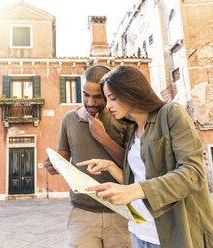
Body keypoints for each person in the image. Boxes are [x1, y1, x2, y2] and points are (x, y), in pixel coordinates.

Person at [77, 65, 213, 248]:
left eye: (113, 98)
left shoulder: (171, 114)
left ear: (132, 92)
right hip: (139, 233)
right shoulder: (132, 132)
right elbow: (140, 180)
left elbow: (194, 174)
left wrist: (133, 191)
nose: (108, 105)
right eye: (107, 99)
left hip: (173, 236)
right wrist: (111, 167)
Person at [44, 65, 132, 248]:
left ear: (109, 93)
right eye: (86, 94)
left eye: (98, 96)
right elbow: (63, 161)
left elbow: (132, 166)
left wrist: (103, 137)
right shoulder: (68, 119)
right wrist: (54, 166)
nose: (90, 102)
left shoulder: (124, 119)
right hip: (82, 213)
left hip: (121, 212)